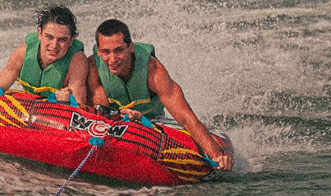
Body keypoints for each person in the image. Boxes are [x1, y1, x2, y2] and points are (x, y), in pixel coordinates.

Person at [85, 18, 232, 170]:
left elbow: (186, 118)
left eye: (118, 50)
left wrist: (216, 156)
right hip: (113, 125)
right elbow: (89, 109)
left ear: (130, 47)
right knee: (98, 93)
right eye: (105, 52)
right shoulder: (92, 67)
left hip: (152, 123)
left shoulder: (154, 71)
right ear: (98, 51)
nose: (112, 59)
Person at [0, 4, 94, 103]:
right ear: (40, 33)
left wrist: (65, 102)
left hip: (58, 111)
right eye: (49, 37)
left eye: (62, 40)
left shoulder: (77, 61)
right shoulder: (22, 54)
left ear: (71, 40)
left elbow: (79, 106)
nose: (54, 45)